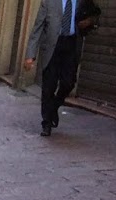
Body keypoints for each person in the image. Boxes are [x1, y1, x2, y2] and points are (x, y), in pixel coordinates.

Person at [25, 0, 102, 136]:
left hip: (71, 45)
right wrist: (30, 55)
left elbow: (95, 16)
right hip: (52, 47)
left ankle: (54, 106)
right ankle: (46, 123)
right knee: (49, 85)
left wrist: (89, 22)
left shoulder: (82, 2)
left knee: (69, 82)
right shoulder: (49, 2)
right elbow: (38, 27)